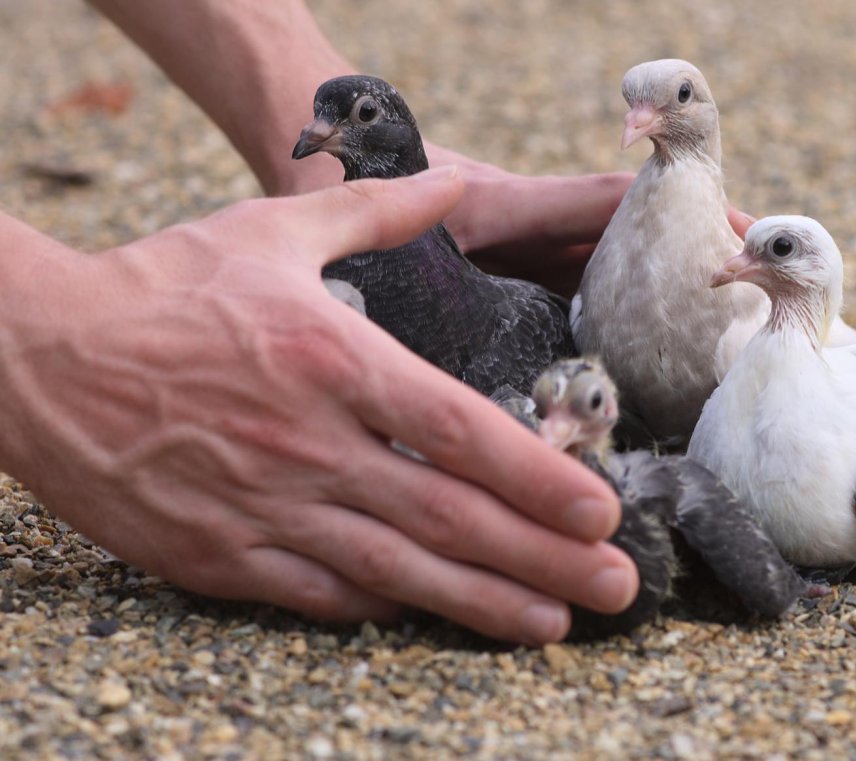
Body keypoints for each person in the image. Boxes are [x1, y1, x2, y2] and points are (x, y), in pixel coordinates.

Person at [0, 0, 648, 647]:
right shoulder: (342, 293)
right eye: (324, 120)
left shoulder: (524, 318)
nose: (316, 132)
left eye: (360, 118)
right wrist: (42, 335)